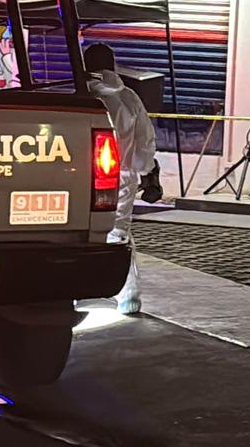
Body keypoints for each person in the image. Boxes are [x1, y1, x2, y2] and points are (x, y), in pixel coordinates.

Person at [84, 42, 157, 315]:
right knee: (119, 235)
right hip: (123, 178)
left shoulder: (81, 94)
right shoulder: (129, 98)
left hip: (82, 178)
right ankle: (129, 299)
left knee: (80, 235)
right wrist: (145, 169)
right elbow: (145, 142)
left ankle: (79, 291)